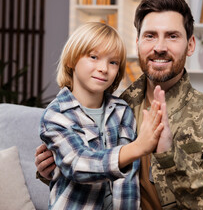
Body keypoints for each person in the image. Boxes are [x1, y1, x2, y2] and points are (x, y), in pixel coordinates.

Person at [36, 0, 203, 209]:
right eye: (150, 35)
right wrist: (53, 170)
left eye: (172, 36)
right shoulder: (117, 108)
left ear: (190, 45)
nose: (159, 47)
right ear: (138, 43)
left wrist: (170, 155)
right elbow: (89, 174)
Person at [38, 22, 166, 209]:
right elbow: (78, 164)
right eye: (94, 57)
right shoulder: (56, 114)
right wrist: (138, 147)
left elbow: (129, 179)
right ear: (72, 60)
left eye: (113, 62)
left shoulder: (122, 111)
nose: (104, 68)